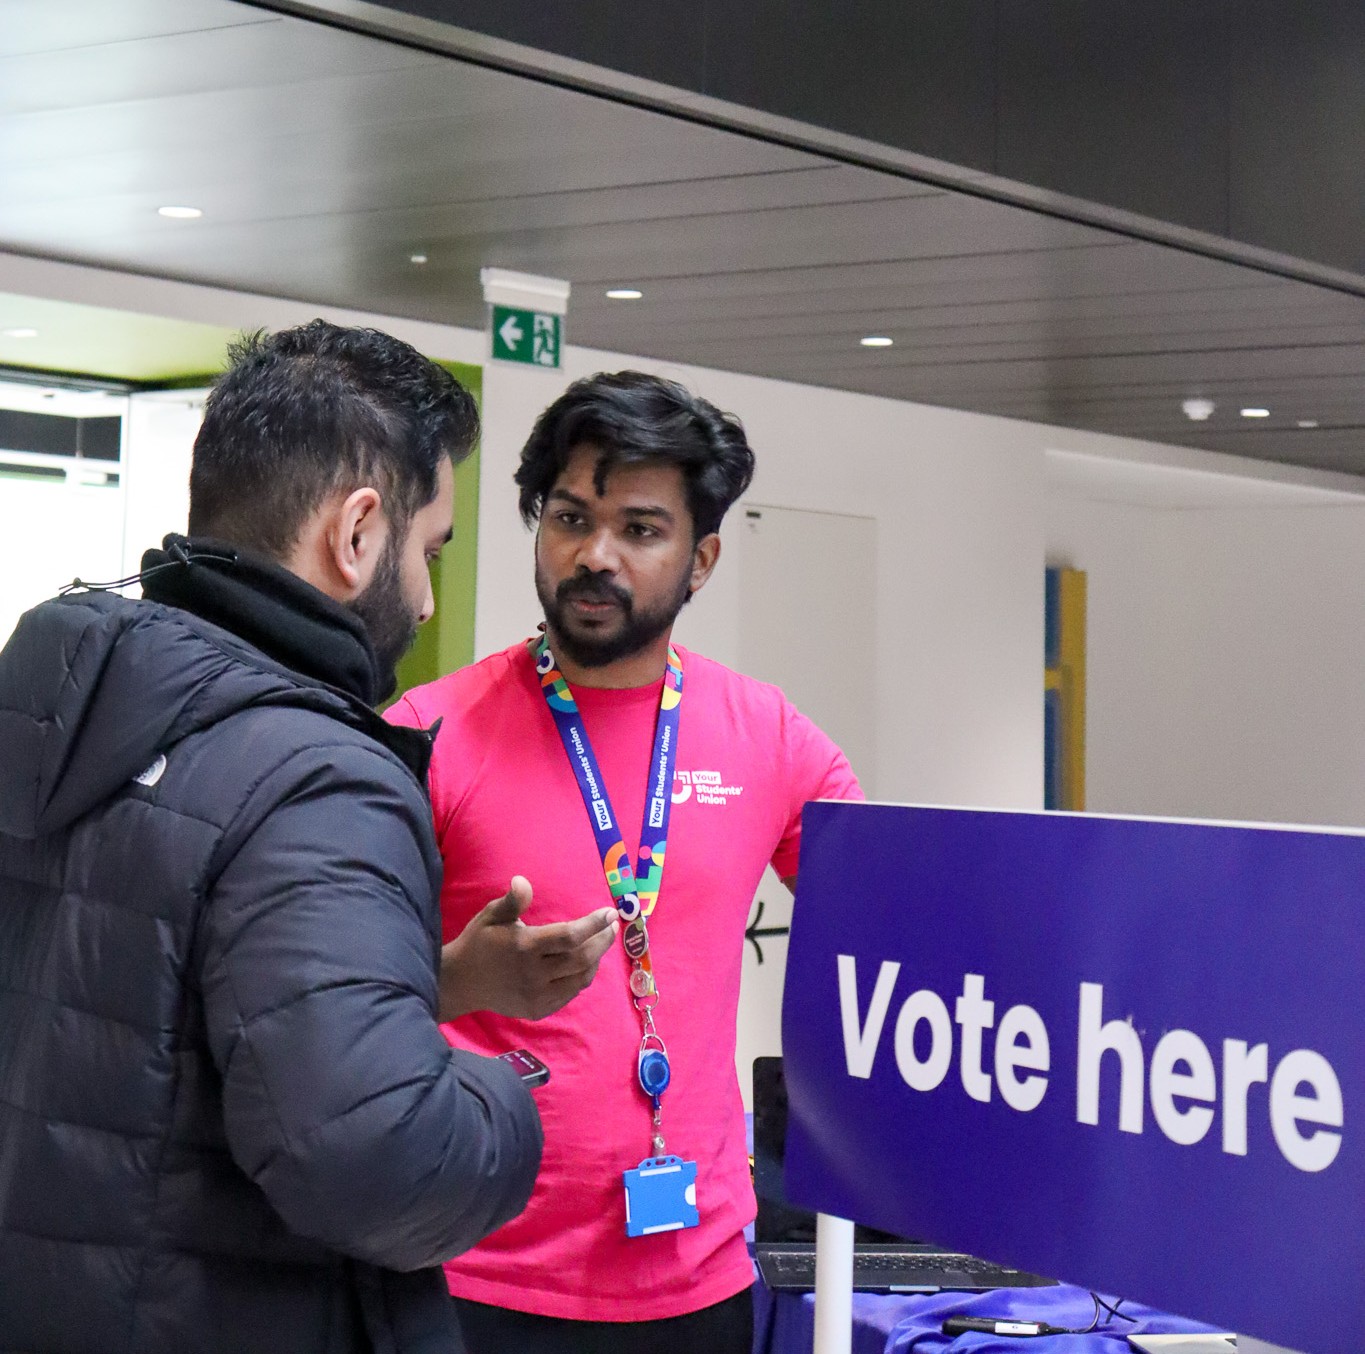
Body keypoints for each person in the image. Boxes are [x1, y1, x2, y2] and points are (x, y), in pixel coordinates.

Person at [0, 320, 551, 1354]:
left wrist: (421, 985)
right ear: (357, 534)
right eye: (428, 552)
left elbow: (140, 1014)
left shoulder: (54, 704)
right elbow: (377, 1160)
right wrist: (500, 1097)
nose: (427, 597)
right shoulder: (320, 778)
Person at [388, 371, 863, 1354]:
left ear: (701, 559)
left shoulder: (769, 737)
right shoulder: (427, 733)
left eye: (640, 529)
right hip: (469, 1271)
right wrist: (456, 978)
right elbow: (321, 997)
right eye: (570, 517)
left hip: (694, 1277)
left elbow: (897, 911)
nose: (593, 555)